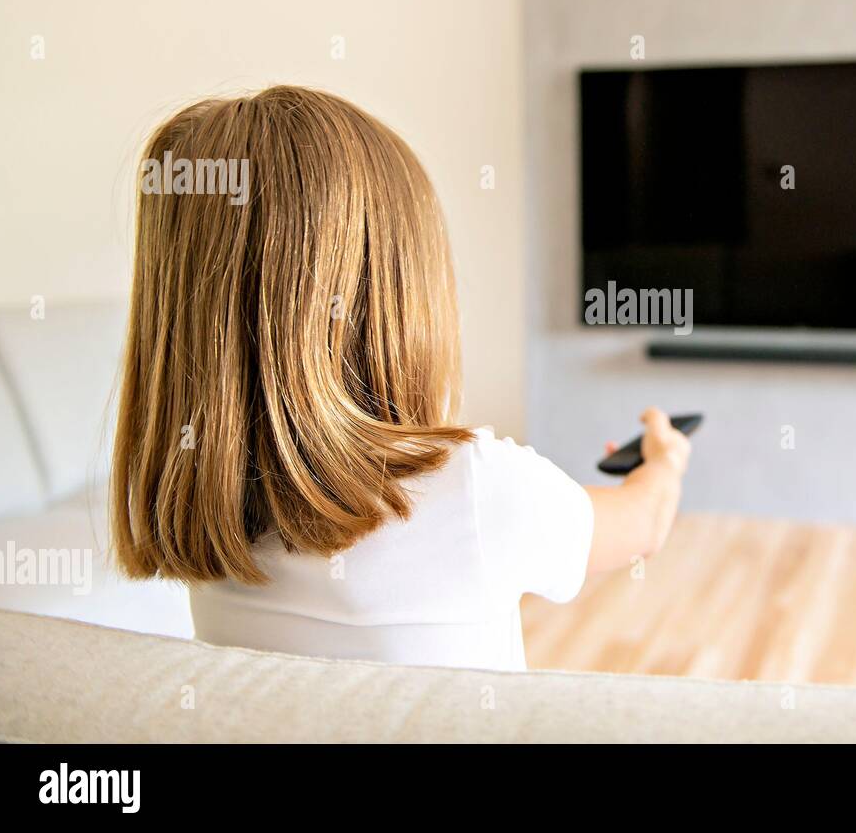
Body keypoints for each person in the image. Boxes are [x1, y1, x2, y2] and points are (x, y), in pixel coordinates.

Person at [110, 86, 691, 671]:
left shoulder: (207, 511)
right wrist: (665, 459)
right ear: (396, 292)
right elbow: (644, 523)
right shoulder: (474, 490)